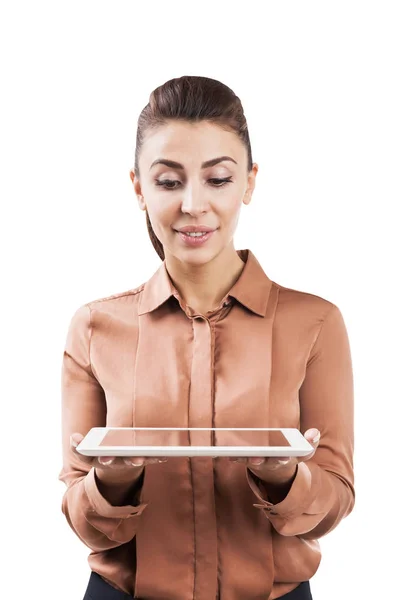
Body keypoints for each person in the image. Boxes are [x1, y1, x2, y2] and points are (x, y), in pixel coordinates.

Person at [59, 75, 355, 600]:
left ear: (249, 182)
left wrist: (287, 478)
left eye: (217, 178)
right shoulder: (93, 327)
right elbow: (83, 520)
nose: (194, 205)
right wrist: (113, 481)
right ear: (138, 188)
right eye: (169, 182)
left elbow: (333, 502)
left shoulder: (315, 323)